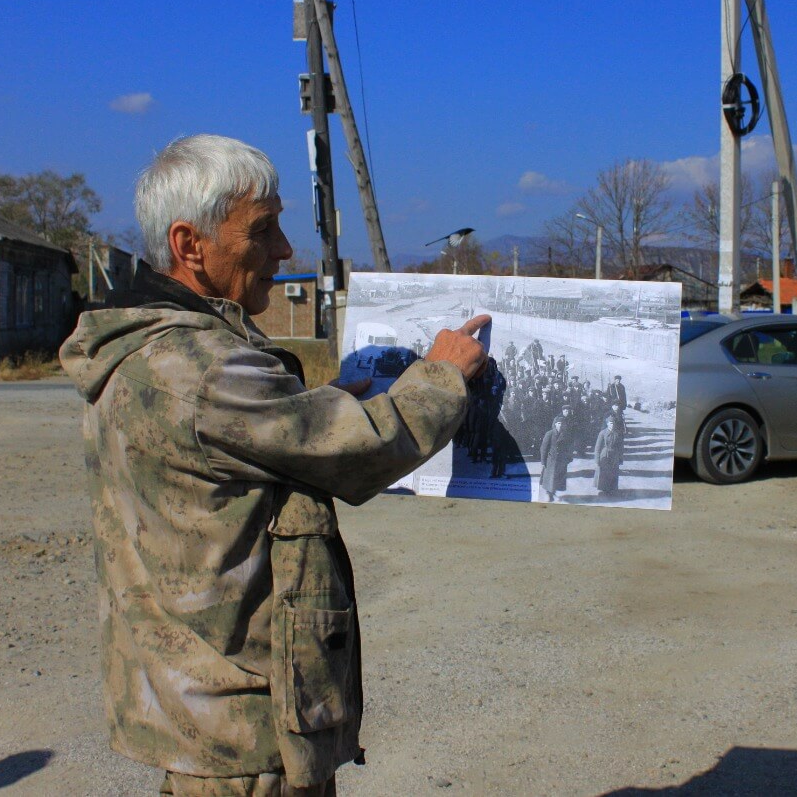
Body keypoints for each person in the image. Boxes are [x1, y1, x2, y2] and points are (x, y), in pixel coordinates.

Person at [59, 135, 489, 797]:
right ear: (190, 244)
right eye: (262, 230)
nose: (285, 250)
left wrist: (323, 399)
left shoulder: (144, 350)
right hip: (243, 736)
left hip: (190, 709)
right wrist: (442, 374)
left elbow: (236, 444)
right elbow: (366, 448)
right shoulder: (204, 368)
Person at [539, 416, 574, 503]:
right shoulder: (549, 434)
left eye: (562, 424)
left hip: (561, 460)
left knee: (558, 479)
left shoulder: (566, 435)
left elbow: (569, 448)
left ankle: (553, 492)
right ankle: (548, 494)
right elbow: (543, 448)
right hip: (551, 460)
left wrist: (569, 458)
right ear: (555, 424)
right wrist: (543, 460)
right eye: (558, 423)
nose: (560, 425)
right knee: (549, 479)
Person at [593, 414, 625, 496]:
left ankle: (612, 488)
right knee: (604, 472)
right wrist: (597, 460)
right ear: (607, 424)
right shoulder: (602, 433)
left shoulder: (618, 433)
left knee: (613, 472)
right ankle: (604, 489)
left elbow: (620, 447)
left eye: (613, 423)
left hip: (614, 454)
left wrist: (620, 458)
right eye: (610, 423)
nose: (612, 424)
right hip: (605, 454)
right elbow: (597, 448)